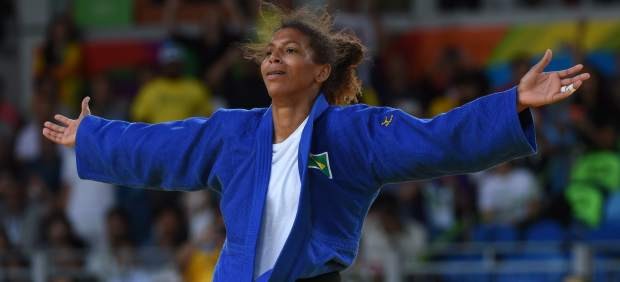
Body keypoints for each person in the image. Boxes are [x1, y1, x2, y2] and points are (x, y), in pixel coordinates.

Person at [42, 4, 590, 282]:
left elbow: (438, 140)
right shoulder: (234, 132)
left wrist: (511, 103)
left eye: (292, 50)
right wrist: (95, 135)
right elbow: (163, 150)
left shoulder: (353, 133)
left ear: (322, 70)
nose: (275, 57)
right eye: (271, 51)